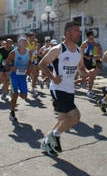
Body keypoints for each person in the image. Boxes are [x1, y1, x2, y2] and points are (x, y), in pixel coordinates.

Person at [39, 21, 95, 156]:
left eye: (79, 31)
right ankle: (54, 136)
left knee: (62, 119)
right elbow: (42, 64)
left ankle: (46, 143)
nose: (79, 33)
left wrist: (88, 73)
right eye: (76, 31)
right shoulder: (58, 49)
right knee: (75, 117)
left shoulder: (79, 51)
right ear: (68, 33)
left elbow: (81, 69)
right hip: (58, 88)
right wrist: (53, 78)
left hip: (70, 89)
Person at [5, 35, 32, 121]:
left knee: (24, 97)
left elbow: (30, 64)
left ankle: (13, 93)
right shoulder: (13, 53)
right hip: (14, 77)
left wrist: (29, 68)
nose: (23, 42)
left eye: (25, 41)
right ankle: (12, 113)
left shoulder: (29, 53)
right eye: (22, 41)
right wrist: (10, 68)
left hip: (23, 77)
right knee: (15, 95)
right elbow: (6, 65)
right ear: (18, 43)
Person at [77, 30, 99, 98]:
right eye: (92, 35)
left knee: (88, 77)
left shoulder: (93, 43)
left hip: (92, 61)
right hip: (85, 61)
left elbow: (93, 53)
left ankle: (72, 83)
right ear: (89, 36)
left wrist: (96, 56)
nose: (93, 36)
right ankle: (90, 91)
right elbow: (79, 51)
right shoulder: (85, 43)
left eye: (93, 35)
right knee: (90, 76)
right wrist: (86, 57)